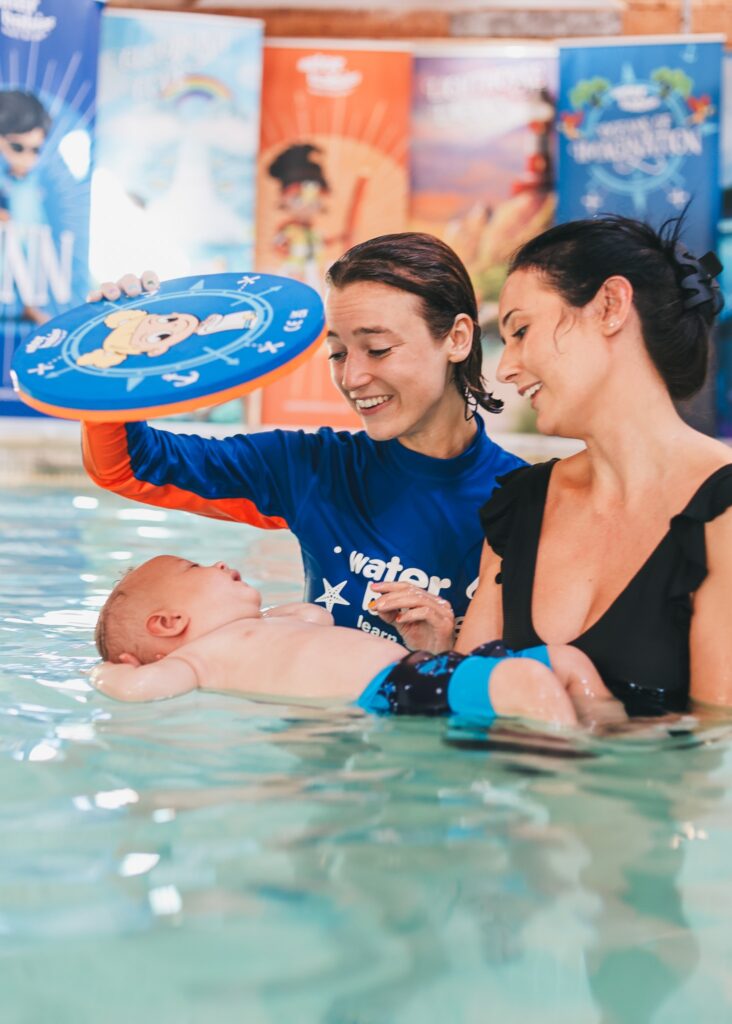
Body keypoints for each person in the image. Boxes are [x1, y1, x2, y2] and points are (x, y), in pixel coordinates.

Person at [82, 233, 526, 653]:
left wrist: (439, 652)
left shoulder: (527, 502)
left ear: (457, 338)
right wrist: (115, 359)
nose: (352, 378)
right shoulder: (314, 468)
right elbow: (131, 466)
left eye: (377, 349)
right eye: (338, 354)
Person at [456, 215, 732, 716]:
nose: (505, 367)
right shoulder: (519, 505)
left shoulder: (723, 510)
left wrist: (592, 708)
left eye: (522, 330)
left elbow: (717, 741)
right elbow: (460, 710)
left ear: (610, 306)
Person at [91, 554, 626, 729]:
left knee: (564, 659)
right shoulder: (197, 660)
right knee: (529, 681)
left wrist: (257, 613)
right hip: (392, 691)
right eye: (196, 568)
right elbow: (137, 688)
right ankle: (573, 776)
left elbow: (314, 614)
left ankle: (614, 733)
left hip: (427, 669)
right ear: (169, 623)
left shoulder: (268, 626)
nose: (219, 563)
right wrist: (109, 669)